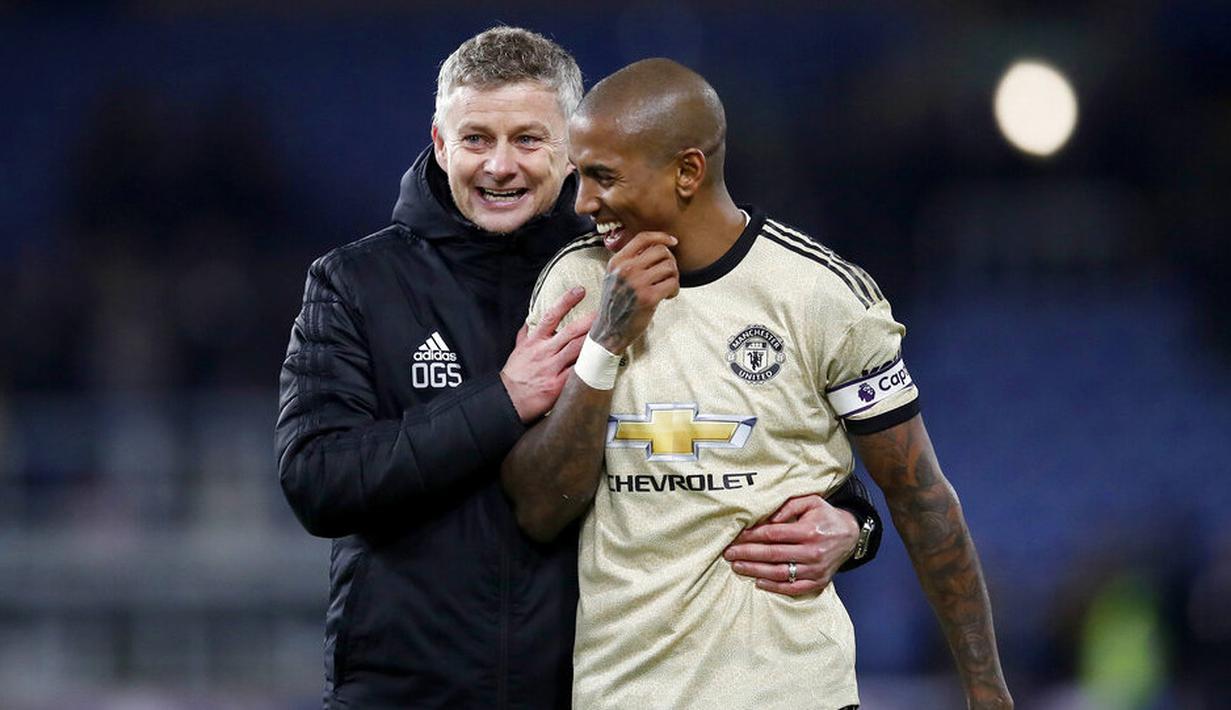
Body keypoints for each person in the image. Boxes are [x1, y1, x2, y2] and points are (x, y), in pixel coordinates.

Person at [276, 28, 884, 708]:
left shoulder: (625, 271)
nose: (499, 166)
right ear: (440, 142)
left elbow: (756, 426)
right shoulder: (356, 284)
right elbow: (316, 481)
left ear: (574, 148)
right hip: (405, 693)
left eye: (528, 141)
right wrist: (501, 400)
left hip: (578, 689)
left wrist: (852, 523)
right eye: (476, 139)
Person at [502, 58, 1013, 709]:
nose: (582, 202)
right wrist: (604, 344)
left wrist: (985, 689)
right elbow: (538, 508)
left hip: (791, 693)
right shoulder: (574, 287)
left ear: (687, 171)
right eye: (579, 175)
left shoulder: (818, 296)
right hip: (623, 695)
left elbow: (919, 498)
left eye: (603, 177)